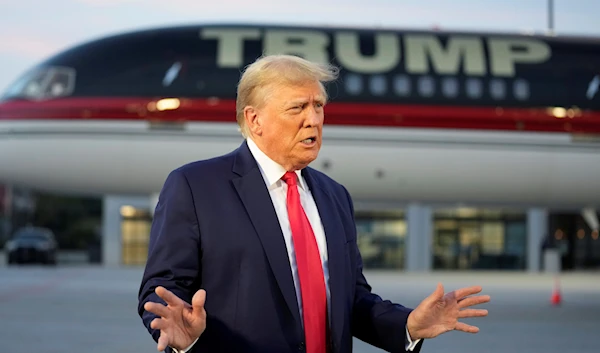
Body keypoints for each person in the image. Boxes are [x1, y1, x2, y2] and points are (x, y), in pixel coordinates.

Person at [137, 54, 490, 353]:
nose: (314, 119)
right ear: (254, 120)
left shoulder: (335, 196)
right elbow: (162, 291)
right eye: (298, 108)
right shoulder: (196, 186)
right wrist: (183, 338)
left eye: (318, 106)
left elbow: (352, 300)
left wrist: (408, 325)